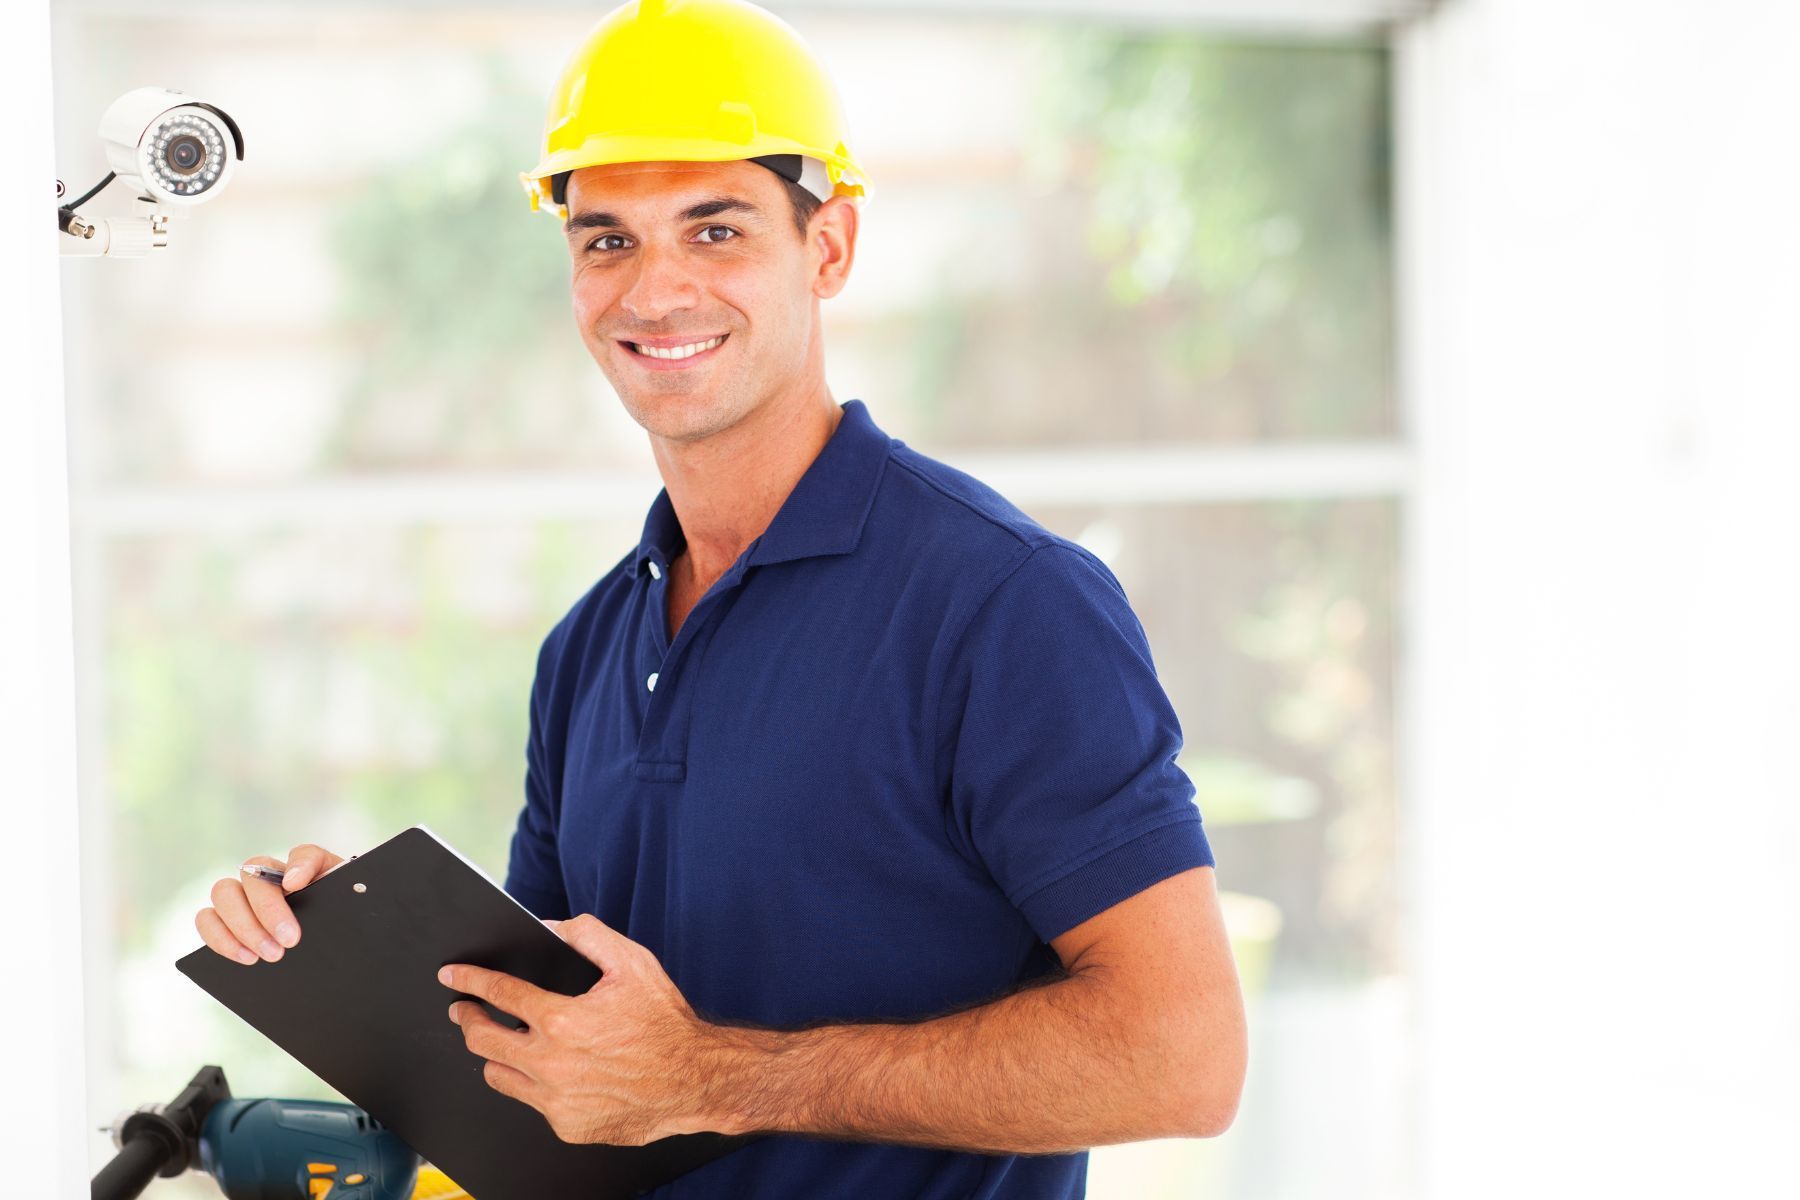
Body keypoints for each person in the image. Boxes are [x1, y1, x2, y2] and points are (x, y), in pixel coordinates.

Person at [193, 0, 1247, 1195]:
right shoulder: (586, 647)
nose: (654, 292)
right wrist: (347, 941)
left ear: (829, 248)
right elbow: (539, 1066)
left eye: (715, 229)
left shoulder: (1003, 606)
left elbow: (1182, 1060)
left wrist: (715, 1076)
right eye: (607, 241)